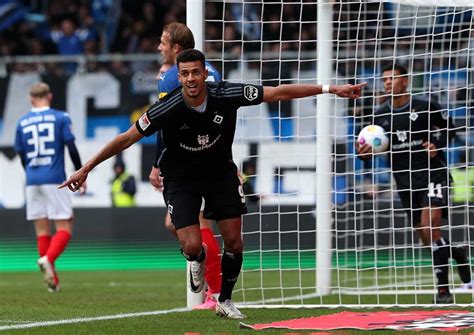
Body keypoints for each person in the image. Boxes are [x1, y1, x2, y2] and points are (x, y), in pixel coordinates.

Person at [60, 49, 366, 318]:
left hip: (220, 173)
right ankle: (197, 260)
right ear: (178, 78)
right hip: (181, 179)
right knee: (192, 246)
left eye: (196, 72)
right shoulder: (167, 108)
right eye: (185, 74)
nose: (191, 78)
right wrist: (85, 168)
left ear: (205, 73)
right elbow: (126, 138)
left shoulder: (226, 94)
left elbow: (278, 92)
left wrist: (331, 88)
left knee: (234, 242)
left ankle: (226, 299)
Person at [356, 63, 471, 303]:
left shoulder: (425, 106)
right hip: (404, 181)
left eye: (393, 79)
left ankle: (443, 291)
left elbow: (449, 128)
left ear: (405, 81)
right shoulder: (379, 116)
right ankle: (458, 253)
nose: (388, 83)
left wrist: (436, 144)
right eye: (385, 79)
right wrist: (364, 154)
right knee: (428, 239)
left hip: (433, 173)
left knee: (431, 229)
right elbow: (366, 151)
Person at [149, 22, 223, 310]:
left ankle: (214, 294)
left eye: (163, 42)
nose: (159, 47)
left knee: (200, 223)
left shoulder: (172, 78)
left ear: (176, 48)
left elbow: (162, 125)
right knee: (175, 224)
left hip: (191, 159)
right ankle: (205, 270)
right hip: (215, 152)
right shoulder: (210, 70)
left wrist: (157, 164)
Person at [14, 82, 86, 292]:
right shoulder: (60, 117)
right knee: (64, 226)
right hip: (54, 178)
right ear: (50, 96)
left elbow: (20, 153)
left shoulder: (22, 122)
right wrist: (80, 171)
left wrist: (30, 172)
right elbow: (70, 146)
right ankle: (48, 259)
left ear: (31, 99)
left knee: (42, 229)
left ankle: (51, 278)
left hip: (32, 180)